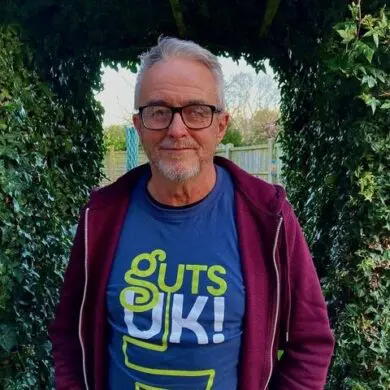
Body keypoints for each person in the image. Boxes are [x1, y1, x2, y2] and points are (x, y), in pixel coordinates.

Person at [49, 37, 334, 390]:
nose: (177, 130)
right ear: (139, 126)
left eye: (197, 111)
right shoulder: (100, 217)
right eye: (158, 111)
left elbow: (311, 342)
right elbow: (68, 334)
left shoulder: (267, 217)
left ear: (221, 125)